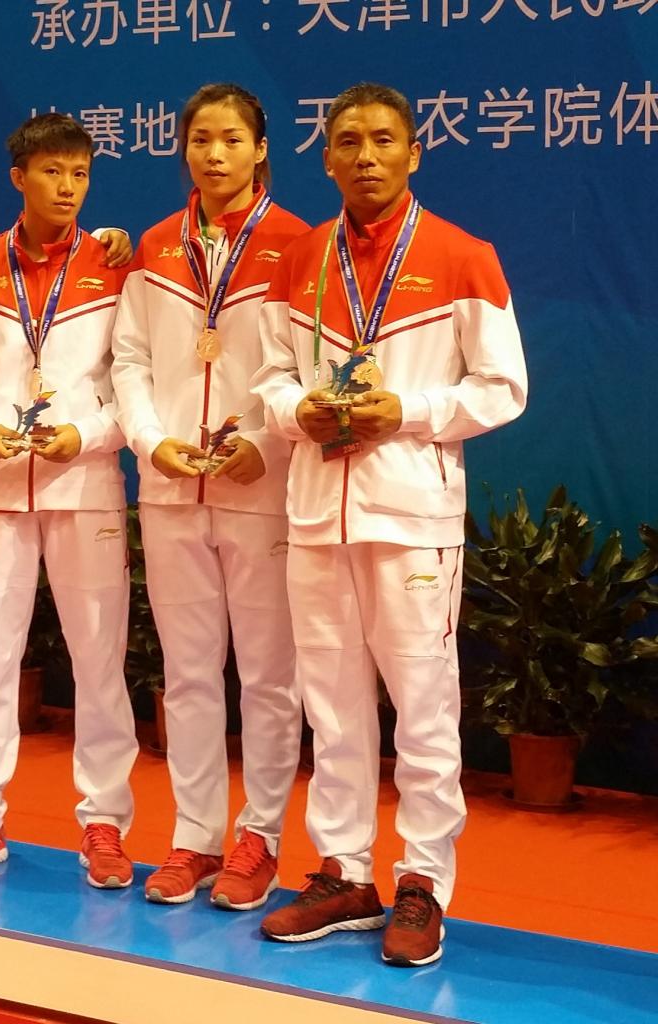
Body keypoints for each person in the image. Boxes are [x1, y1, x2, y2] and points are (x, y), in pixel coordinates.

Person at [253, 82, 528, 965]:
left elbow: (503, 388)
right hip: (316, 513)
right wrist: (298, 411)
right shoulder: (301, 259)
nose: (365, 156)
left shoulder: (462, 256)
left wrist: (404, 411)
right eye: (347, 141)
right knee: (331, 708)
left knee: (423, 707)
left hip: (412, 516)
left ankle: (422, 883)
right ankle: (344, 873)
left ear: (414, 152)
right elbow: (269, 378)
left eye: (382, 140)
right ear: (326, 158)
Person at [0, 114, 139, 888]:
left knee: (99, 662)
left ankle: (105, 822)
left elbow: (133, 387)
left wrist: (85, 436)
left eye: (80, 174)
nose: (68, 187)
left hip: (85, 487)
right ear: (19, 177)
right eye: (52, 172)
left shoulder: (113, 266)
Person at [111, 83, 308, 910]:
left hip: (259, 490)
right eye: (200, 139)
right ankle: (194, 835)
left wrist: (266, 445)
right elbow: (127, 359)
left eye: (231, 139)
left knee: (268, 675)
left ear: (260, 149)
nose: (214, 153)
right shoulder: (157, 246)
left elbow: (308, 369)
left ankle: (260, 837)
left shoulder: (298, 245)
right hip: (169, 488)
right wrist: (150, 440)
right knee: (188, 675)